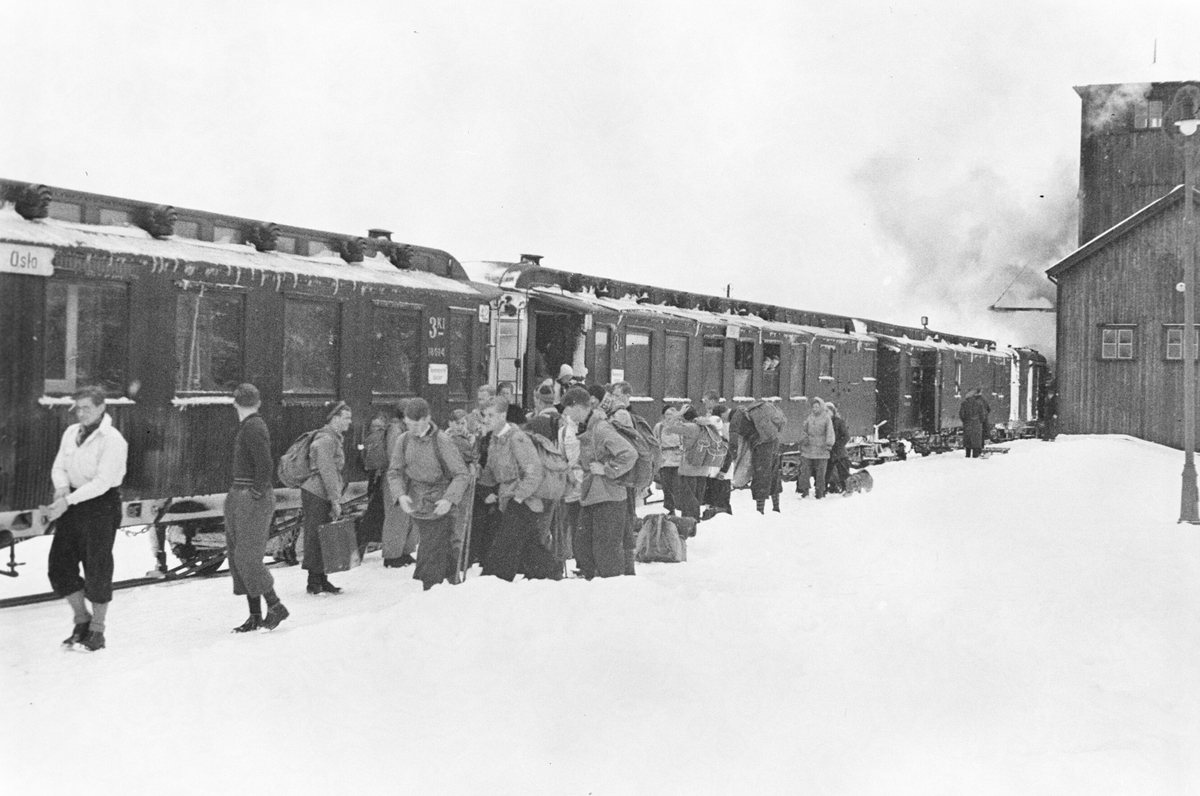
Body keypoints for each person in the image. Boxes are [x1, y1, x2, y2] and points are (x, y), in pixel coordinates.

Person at [44, 386, 128, 651]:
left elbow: (102, 483)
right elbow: (59, 466)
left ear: (102, 407)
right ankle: (81, 619)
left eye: (86, 408)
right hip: (72, 503)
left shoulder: (113, 440)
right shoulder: (71, 433)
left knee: (97, 567)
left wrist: (67, 500)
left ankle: (97, 631)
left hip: (101, 506)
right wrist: (61, 487)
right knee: (59, 566)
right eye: (77, 407)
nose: (80, 413)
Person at [225, 384, 288, 632]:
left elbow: (265, 465)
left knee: (245, 557)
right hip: (242, 494)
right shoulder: (251, 425)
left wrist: (256, 493)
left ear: (234, 403)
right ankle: (255, 615)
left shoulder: (252, 427)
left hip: (251, 497)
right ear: (258, 402)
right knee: (239, 555)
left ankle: (275, 606)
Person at [389, 398, 471, 590]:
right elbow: (394, 471)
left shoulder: (441, 441)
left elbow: (461, 474)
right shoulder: (404, 440)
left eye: (418, 422)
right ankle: (451, 584)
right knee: (440, 546)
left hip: (440, 501)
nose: (414, 427)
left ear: (428, 419)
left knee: (432, 546)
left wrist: (449, 499)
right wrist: (400, 494)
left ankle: (431, 588)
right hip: (418, 501)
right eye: (409, 422)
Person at [479, 398, 562, 581]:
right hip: (507, 499)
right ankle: (551, 573)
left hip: (524, 500)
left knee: (505, 545)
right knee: (528, 545)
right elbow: (491, 473)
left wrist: (518, 497)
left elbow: (534, 472)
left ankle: (493, 582)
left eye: (491, 415)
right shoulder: (494, 440)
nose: (486, 419)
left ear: (503, 415)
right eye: (484, 415)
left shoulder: (517, 438)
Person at [562, 386, 637, 579]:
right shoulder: (588, 428)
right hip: (593, 495)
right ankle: (593, 589)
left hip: (609, 496)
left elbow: (629, 454)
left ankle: (612, 593)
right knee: (584, 545)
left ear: (577, 406)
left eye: (568, 410)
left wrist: (606, 469)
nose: (567, 415)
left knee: (606, 551)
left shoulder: (601, 428)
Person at [300, 401, 352, 595]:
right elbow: (327, 471)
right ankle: (314, 582)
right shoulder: (326, 440)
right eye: (346, 417)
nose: (349, 422)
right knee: (317, 536)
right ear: (335, 418)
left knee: (323, 535)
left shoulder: (332, 437)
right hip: (317, 493)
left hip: (320, 492)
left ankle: (322, 579)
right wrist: (335, 499)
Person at [381, 404, 419, 568]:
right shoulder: (396, 430)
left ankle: (404, 551)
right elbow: (393, 456)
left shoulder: (407, 429)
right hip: (398, 478)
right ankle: (392, 555)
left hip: (410, 478)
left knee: (408, 516)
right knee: (396, 516)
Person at [796, 397, 835, 499]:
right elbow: (804, 430)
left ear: (821, 407)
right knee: (804, 471)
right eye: (813, 407)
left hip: (821, 450)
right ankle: (805, 491)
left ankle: (820, 492)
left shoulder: (826, 418)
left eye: (817, 407)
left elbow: (830, 432)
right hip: (808, 449)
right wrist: (804, 439)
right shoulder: (810, 417)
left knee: (820, 474)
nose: (815, 409)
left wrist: (828, 444)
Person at [654, 406, 684, 515]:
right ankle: (670, 509)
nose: (669, 417)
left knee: (677, 485)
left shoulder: (680, 426)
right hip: (664, 460)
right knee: (666, 486)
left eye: (672, 414)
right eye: (667, 414)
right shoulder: (659, 427)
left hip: (677, 459)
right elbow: (655, 440)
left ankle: (679, 507)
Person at [824, 402, 851, 495]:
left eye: (827, 411)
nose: (826, 413)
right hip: (828, 452)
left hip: (839, 452)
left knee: (842, 471)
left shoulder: (839, 422)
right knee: (827, 471)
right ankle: (827, 488)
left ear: (832, 411)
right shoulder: (823, 422)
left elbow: (846, 436)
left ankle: (846, 488)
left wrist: (836, 445)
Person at [959, 387, 991, 458]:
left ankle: (967, 454)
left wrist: (965, 421)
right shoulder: (979, 403)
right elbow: (983, 414)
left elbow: (961, 414)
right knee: (976, 440)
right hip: (977, 424)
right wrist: (980, 422)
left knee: (968, 440)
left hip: (967, 424)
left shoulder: (964, 403)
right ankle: (975, 455)